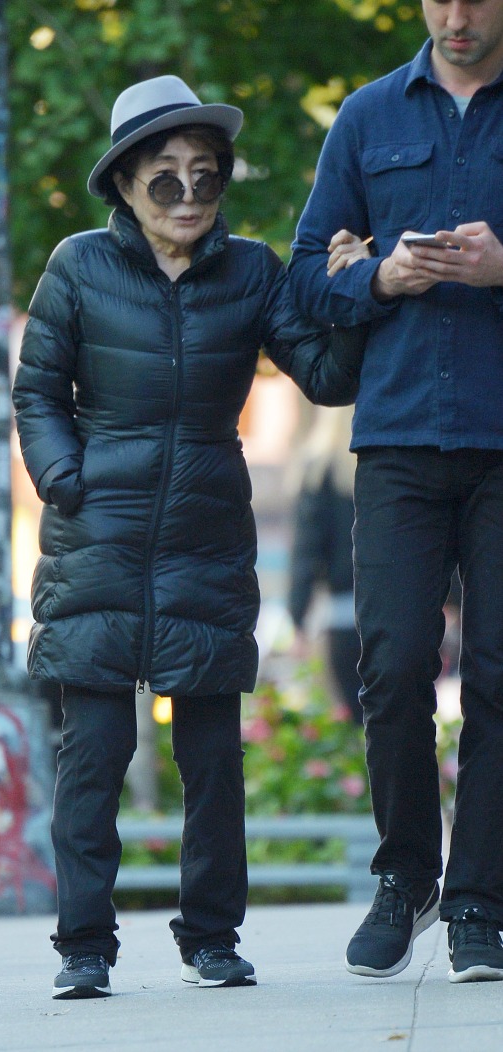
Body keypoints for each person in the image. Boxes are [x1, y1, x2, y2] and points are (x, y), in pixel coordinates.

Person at [12, 74, 364, 1000]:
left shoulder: (251, 269)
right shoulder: (78, 266)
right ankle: (84, 948)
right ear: (125, 183)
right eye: (165, 178)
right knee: (91, 760)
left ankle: (212, 938)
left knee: (213, 761)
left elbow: (325, 378)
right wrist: (65, 478)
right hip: (95, 540)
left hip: (208, 537)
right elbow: (38, 391)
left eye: (205, 177)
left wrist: (350, 292)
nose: (189, 197)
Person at [288, 0, 503, 985]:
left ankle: (477, 905)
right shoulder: (368, 116)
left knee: (499, 677)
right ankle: (405, 876)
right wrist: (379, 278)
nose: (457, 17)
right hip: (399, 438)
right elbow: (303, 278)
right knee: (391, 664)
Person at [285, 406, 362, 724]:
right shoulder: (389, 470)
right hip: (397, 611)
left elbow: (307, 551)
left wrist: (298, 616)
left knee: (353, 720)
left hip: (342, 615)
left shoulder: (318, 471)